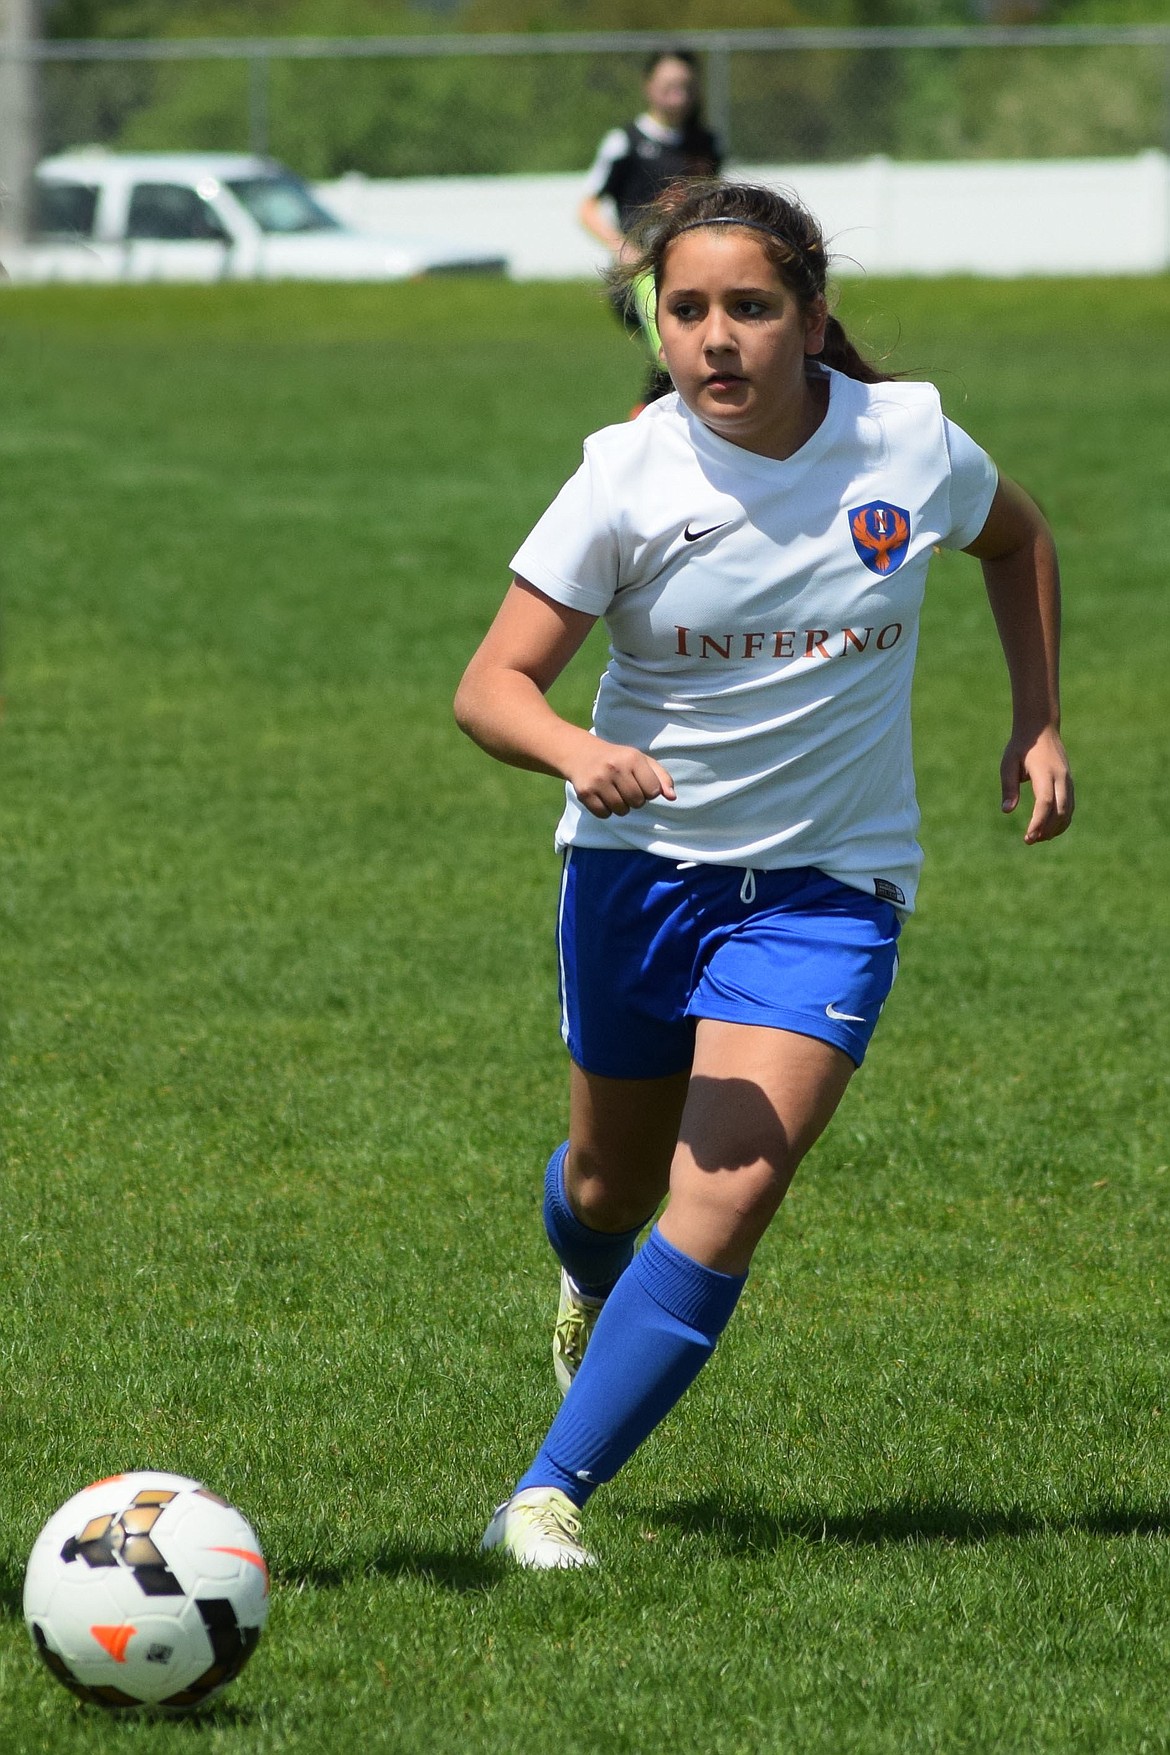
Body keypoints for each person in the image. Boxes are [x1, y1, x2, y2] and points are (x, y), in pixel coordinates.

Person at [454, 178, 1074, 1570]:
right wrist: (572, 747)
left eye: (749, 307)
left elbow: (1018, 536)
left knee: (726, 1185)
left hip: (828, 885)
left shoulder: (904, 440)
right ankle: (583, 1272)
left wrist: (1034, 717)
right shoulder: (626, 473)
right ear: (654, 324)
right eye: (685, 311)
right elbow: (489, 685)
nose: (715, 338)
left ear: (809, 316)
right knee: (610, 1182)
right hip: (641, 872)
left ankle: (541, 1497)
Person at [578, 50, 722, 408]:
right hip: (643, 275)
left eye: (686, 86)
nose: (679, 94)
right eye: (669, 85)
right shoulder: (625, 142)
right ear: (649, 87)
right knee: (676, 357)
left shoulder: (706, 144)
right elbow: (587, 208)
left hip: (694, 270)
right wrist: (625, 249)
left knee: (678, 374)